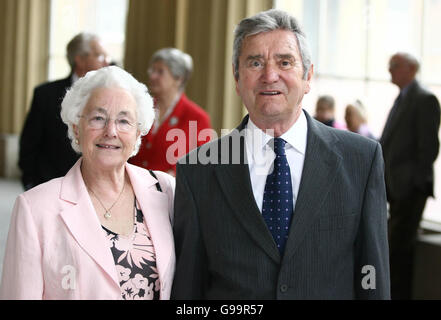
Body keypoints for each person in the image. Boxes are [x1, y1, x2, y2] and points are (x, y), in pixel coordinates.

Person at [171, 9, 390, 299]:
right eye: (255, 63)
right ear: (237, 79)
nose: (269, 75)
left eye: (285, 62)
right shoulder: (197, 170)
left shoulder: (361, 159)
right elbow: (189, 289)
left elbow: (371, 275)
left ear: (308, 76)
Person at [0, 66, 176, 300]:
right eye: (98, 118)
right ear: (76, 127)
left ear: (138, 133)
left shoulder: (165, 190)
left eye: (124, 121)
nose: (111, 131)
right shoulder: (34, 209)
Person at [380, 52, 441, 300]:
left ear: (411, 69)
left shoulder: (424, 99)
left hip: (409, 189)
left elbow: (429, 148)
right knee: (395, 251)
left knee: (400, 252)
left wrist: (411, 184)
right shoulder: (404, 98)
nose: (389, 71)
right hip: (397, 187)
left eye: (394, 66)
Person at [18, 32, 110, 191]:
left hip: (97, 190)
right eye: (100, 56)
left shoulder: (112, 97)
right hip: (52, 188)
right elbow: (29, 144)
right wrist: (31, 183)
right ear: (80, 59)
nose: (107, 62)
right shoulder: (45, 94)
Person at [129, 48, 212, 175]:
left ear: (178, 78)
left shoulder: (197, 117)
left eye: (160, 72)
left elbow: (203, 165)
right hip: (131, 186)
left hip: (171, 191)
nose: (152, 76)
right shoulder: (139, 108)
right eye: (152, 70)